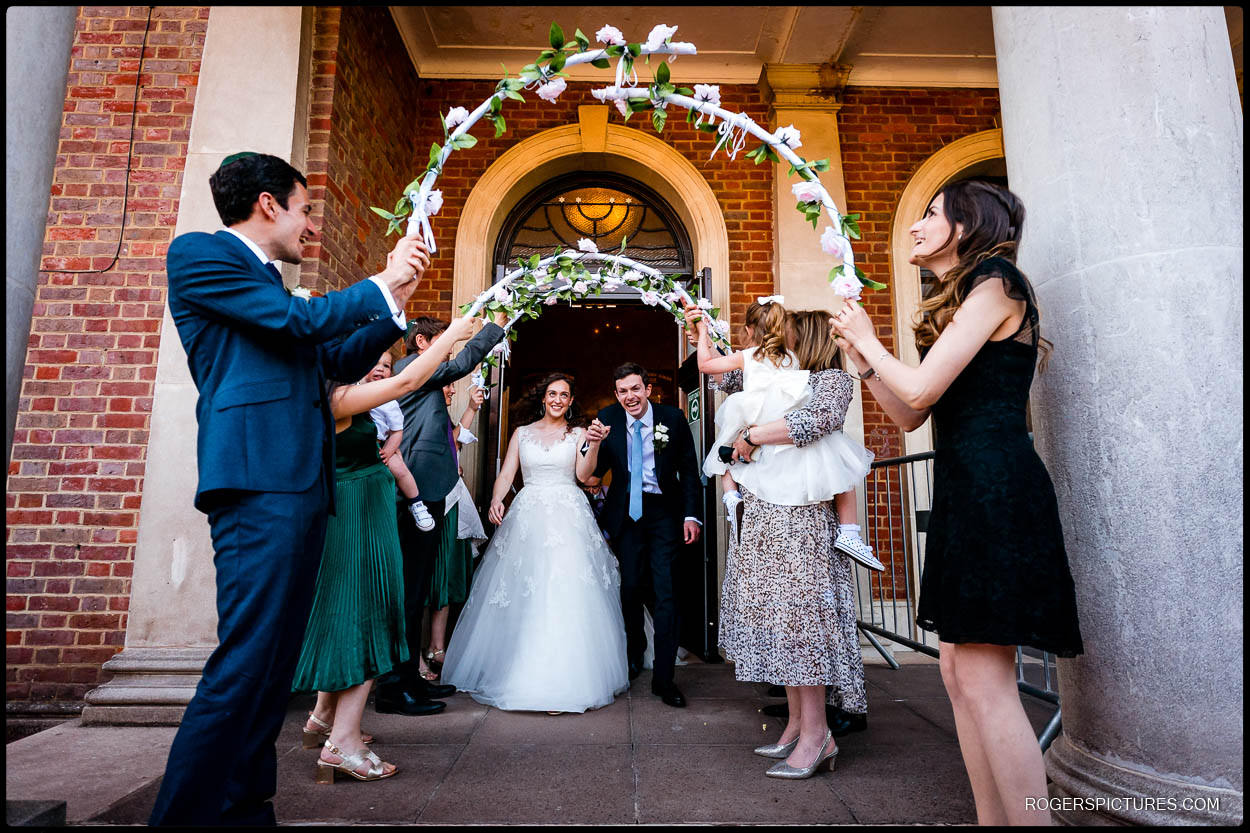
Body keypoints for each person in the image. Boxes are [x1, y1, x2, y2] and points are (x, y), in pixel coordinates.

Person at [149, 151, 427, 825]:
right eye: (305, 209)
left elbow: (326, 359)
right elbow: (300, 325)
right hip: (256, 480)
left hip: (300, 485)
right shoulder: (201, 255)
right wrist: (381, 281)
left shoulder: (270, 288)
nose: (310, 226)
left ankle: (243, 809)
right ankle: (182, 816)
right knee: (245, 660)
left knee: (272, 668)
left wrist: (396, 309)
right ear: (268, 203)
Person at [829, 179, 1083, 825]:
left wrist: (871, 335)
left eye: (930, 214)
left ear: (965, 226)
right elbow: (911, 412)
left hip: (996, 489)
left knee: (986, 682)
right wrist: (862, 361)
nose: (914, 225)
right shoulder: (963, 297)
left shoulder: (998, 281)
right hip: (966, 486)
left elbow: (917, 380)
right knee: (956, 673)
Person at [291, 316, 477, 783]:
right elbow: (412, 379)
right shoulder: (337, 397)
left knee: (352, 611)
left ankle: (322, 718)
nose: (376, 364)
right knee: (371, 614)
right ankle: (343, 742)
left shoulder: (340, 394)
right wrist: (457, 334)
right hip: (356, 517)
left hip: (367, 510)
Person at [701, 308, 868, 780]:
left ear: (807, 335)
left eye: (788, 330)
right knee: (776, 617)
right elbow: (723, 382)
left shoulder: (831, 379)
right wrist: (705, 331)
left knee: (799, 621)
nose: (780, 336)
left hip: (801, 520)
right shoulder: (778, 373)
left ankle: (819, 736)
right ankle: (797, 725)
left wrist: (751, 435)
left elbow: (814, 423)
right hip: (764, 511)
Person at [441, 374, 629, 712]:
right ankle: (517, 669)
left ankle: (564, 679)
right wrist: (498, 499)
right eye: (552, 394)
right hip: (528, 517)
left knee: (563, 591)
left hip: (568, 517)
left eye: (565, 395)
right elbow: (507, 472)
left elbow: (585, 476)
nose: (558, 400)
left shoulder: (578, 433)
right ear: (543, 398)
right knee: (525, 590)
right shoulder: (521, 433)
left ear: (571, 402)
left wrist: (595, 444)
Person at [375, 313, 508, 716]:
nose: (447, 351)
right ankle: (393, 690)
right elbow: (464, 362)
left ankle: (412, 680)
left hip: (430, 489)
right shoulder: (410, 369)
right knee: (408, 592)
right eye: (441, 342)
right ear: (421, 343)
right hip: (412, 492)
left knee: (416, 592)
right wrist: (493, 326)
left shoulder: (421, 376)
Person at [582, 363, 702, 708]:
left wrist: (691, 514)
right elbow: (593, 473)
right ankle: (634, 655)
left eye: (635, 389)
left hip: (664, 512)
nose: (629, 397)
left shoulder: (673, 418)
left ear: (648, 389)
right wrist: (591, 444)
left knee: (667, 591)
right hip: (625, 515)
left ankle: (665, 679)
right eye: (622, 391)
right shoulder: (607, 418)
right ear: (616, 394)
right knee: (630, 587)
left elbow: (689, 472)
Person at [696, 297, 873, 524]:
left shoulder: (822, 377)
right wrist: (705, 338)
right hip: (763, 483)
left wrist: (751, 435)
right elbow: (730, 378)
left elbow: (816, 420)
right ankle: (732, 497)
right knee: (727, 457)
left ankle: (850, 532)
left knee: (840, 466)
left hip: (796, 493)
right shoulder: (787, 365)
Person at [423, 381, 486, 674]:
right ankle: (419, 655)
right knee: (427, 579)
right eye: (447, 387)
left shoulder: (441, 418)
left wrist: (472, 407)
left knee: (445, 578)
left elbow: (453, 441)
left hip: (450, 501)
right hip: (427, 503)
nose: (451, 390)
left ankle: (438, 647)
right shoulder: (421, 415)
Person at [365, 351, 436, 533]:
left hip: (381, 445)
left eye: (386, 366)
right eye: (375, 363)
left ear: (391, 374)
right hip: (359, 443)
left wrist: (388, 451)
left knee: (401, 470)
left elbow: (397, 431)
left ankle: (416, 503)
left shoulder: (389, 402)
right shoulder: (356, 388)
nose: (380, 368)